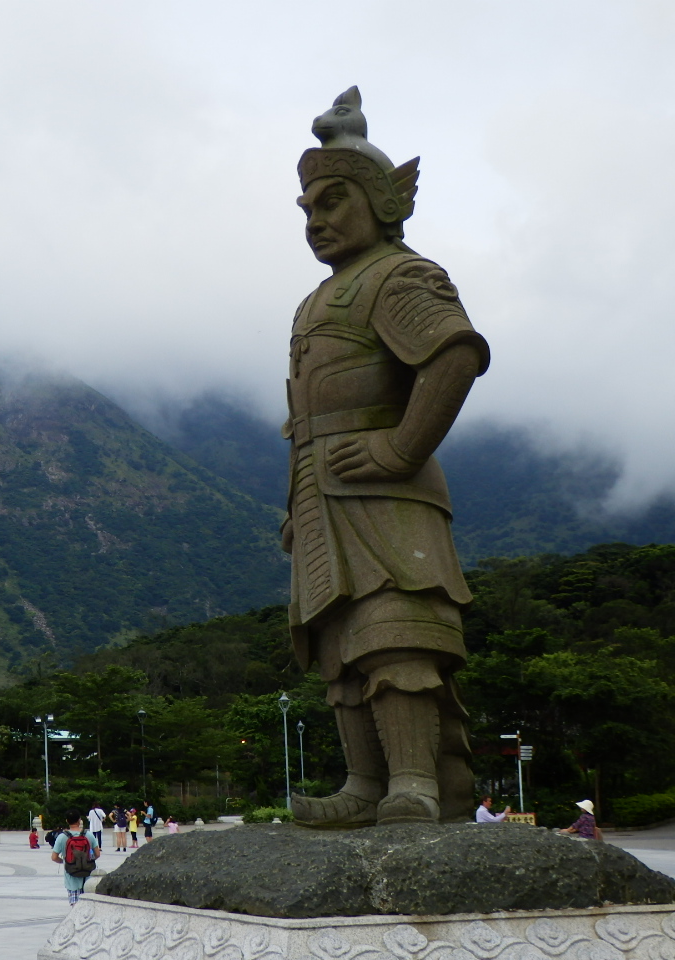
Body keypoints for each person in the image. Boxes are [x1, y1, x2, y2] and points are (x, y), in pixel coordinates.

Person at [283, 87, 490, 826]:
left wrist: (403, 446)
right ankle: (364, 785)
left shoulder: (397, 275)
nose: (317, 220)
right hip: (320, 491)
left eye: (334, 201)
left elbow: (455, 354)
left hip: (385, 489)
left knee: (396, 631)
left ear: (383, 200)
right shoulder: (318, 299)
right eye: (307, 208)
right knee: (339, 648)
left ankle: (416, 782)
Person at [51, 809, 101, 906]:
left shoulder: (62, 837)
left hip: (72, 877)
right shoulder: (88, 835)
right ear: (79, 820)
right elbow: (97, 854)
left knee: (75, 909)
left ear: (67, 821)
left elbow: (54, 857)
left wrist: (65, 861)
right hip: (88, 878)